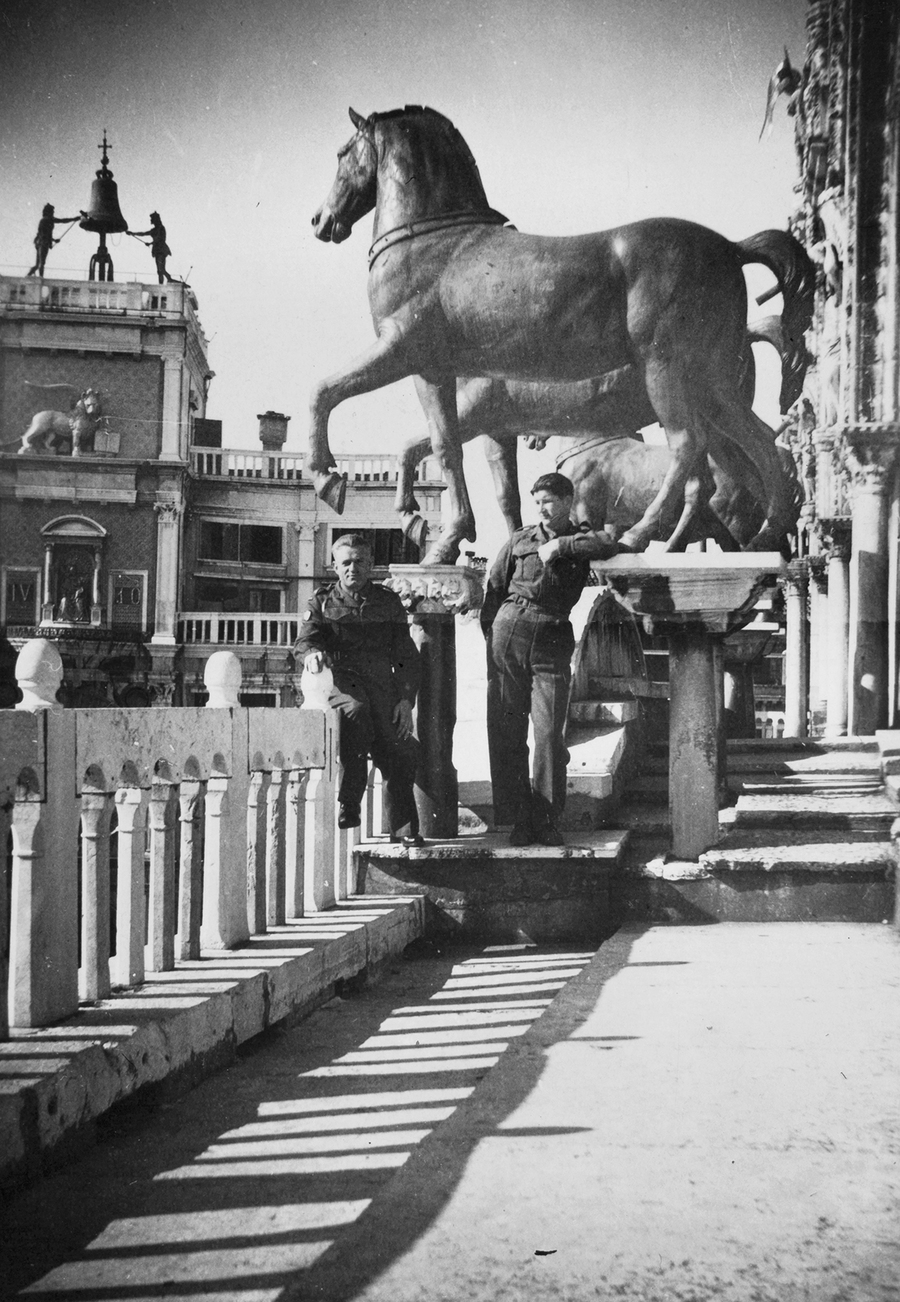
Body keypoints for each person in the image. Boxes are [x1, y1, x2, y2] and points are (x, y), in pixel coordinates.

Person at [481, 472, 618, 846]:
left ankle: (546, 819)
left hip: (553, 636)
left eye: (550, 501)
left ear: (568, 502)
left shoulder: (582, 539)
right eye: (537, 501)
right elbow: (494, 590)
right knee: (507, 730)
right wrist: (492, 640)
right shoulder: (519, 540)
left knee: (549, 734)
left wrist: (562, 547)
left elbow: (608, 543)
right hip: (510, 629)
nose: (542, 508)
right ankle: (518, 820)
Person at [295, 533, 422, 844]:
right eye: (346, 562)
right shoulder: (322, 602)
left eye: (360, 562)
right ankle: (349, 802)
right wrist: (312, 655)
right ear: (335, 567)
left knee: (399, 749)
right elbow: (304, 642)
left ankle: (404, 831)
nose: (353, 568)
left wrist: (405, 701)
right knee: (357, 713)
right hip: (344, 683)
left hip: (383, 685)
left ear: (371, 565)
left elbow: (406, 656)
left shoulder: (388, 602)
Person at [27, 204, 81, 277]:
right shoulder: (48, 219)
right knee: (41, 263)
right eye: (52, 211)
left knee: (38, 264)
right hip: (43, 242)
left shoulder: (44, 220)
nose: (53, 213)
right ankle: (40, 278)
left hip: (40, 242)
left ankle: (29, 275)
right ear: (49, 212)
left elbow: (44, 233)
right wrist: (73, 219)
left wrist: (53, 240)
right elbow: (62, 221)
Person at [129, 212, 173, 283]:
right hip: (157, 250)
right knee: (159, 270)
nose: (150, 220)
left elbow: (161, 239)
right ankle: (164, 282)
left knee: (161, 269)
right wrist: (132, 233)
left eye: (151, 219)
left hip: (161, 250)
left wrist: (150, 243)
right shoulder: (154, 230)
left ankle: (168, 278)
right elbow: (143, 234)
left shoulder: (161, 228)